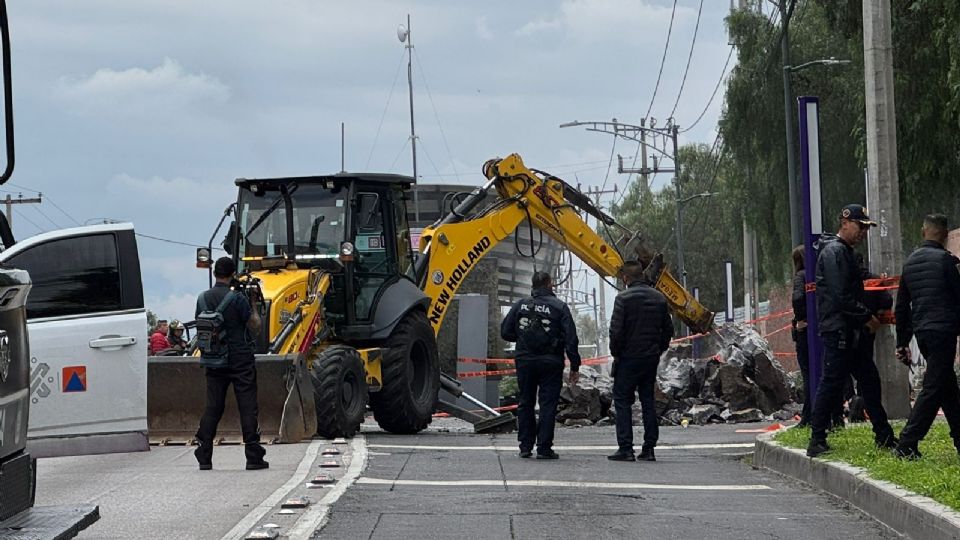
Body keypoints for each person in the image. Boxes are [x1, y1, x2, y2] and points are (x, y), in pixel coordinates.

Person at [806, 204, 897, 458]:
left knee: (868, 380)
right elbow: (840, 296)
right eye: (860, 226)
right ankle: (817, 438)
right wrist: (865, 316)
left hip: (850, 330)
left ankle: (884, 434)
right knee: (832, 383)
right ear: (844, 223)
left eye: (866, 228)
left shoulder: (842, 252)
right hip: (841, 331)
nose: (862, 233)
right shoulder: (835, 252)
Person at [893, 214, 960, 459]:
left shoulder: (910, 263)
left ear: (924, 232)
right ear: (944, 234)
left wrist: (902, 342)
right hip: (943, 331)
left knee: (947, 386)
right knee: (933, 388)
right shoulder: (947, 261)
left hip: (922, 332)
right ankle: (907, 443)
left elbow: (901, 307)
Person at [194, 257, 268, 471]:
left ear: (216, 273)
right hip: (240, 359)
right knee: (247, 406)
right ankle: (253, 456)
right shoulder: (237, 299)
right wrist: (253, 302)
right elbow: (254, 326)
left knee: (213, 407)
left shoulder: (202, 298)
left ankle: (204, 453)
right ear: (233, 274)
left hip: (213, 360)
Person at [501, 271, 581, 460]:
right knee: (548, 404)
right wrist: (575, 366)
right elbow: (571, 339)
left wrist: (521, 338)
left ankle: (525, 446)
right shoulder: (559, 307)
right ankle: (544, 448)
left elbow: (505, 332)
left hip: (525, 360)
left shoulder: (521, 305)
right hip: (551, 362)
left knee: (526, 402)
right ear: (549, 284)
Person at [607, 260, 673, 462]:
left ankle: (626, 448)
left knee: (622, 400)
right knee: (647, 401)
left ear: (626, 278)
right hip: (650, 358)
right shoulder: (659, 298)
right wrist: (657, 350)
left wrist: (616, 354)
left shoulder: (622, 299)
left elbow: (616, 332)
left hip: (628, 358)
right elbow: (667, 331)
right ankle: (649, 448)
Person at [790, 246, 812, 427]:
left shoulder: (800, 277)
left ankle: (808, 415)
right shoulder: (815, 275)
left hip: (805, 331)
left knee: (807, 373)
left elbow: (798, 298)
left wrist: (800, 319)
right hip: (818, 328)